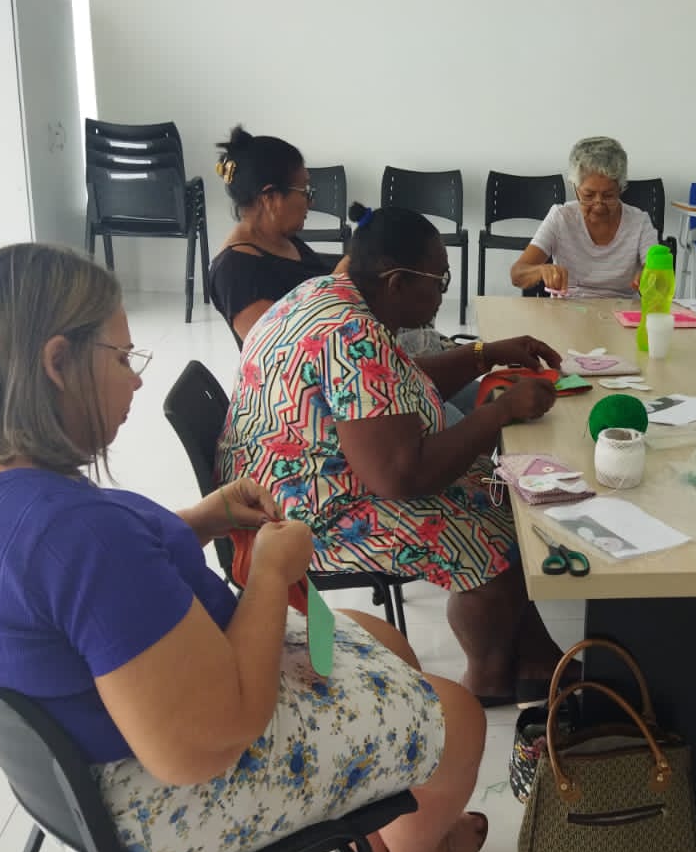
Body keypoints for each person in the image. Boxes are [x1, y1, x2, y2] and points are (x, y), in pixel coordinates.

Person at [0, 244, 487, 852]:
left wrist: (202, 520)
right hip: (170, 807)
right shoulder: (76, 538)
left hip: (75, 788)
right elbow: (210, 741)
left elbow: (72, 598)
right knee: (457, 716)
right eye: (121, 359)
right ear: (56, 362)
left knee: (370, 637)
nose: (137, 380)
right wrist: (270, 575)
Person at [219, 206, 570, 706]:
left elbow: (400, 380)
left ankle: (534, 657)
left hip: (280, 483)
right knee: (494, 530)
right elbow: (402, 476)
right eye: (438, 280)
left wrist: (485, 355)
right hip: (299, 519)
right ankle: (488, 681)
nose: (443, 292)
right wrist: (501, 411)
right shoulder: (352, 333)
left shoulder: (328, 293)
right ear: (397, 282)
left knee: (497, 486)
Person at [206, 125, 343, 344]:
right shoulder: (234, 271)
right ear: (270, 198)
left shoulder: (282, 240)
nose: (311, 201)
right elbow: (281, 348)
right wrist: (342, 280)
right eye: (305, 191)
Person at [510, 136, 659, 298]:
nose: (598, 205)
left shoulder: (639, 222)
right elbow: (517, 274)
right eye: (588, 195)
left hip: (621, 309)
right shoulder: (561, 218)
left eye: (608, 195)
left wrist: (650, 275)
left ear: (621, 188)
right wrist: (540, 270)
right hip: (568, 309)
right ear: (575, 188)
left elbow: (657, 271)